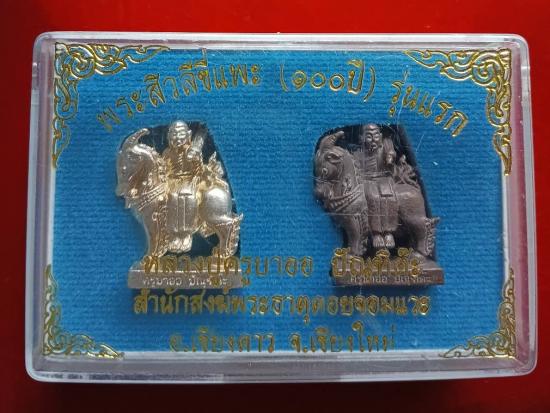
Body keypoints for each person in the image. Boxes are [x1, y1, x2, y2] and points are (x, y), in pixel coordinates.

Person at [354, 123, 398, 249]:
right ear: (361, 138)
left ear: (381, 136)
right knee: (373, 198)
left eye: (376, 136)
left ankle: (388, 232)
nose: (373, 140)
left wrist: (390, 158)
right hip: (367, 181)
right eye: (369, 136)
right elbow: (355, 170)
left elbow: (391, 153)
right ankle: (376, 233)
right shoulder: (358, 153)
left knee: (389, 198)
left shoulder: (385, 147)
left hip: (384, 179)